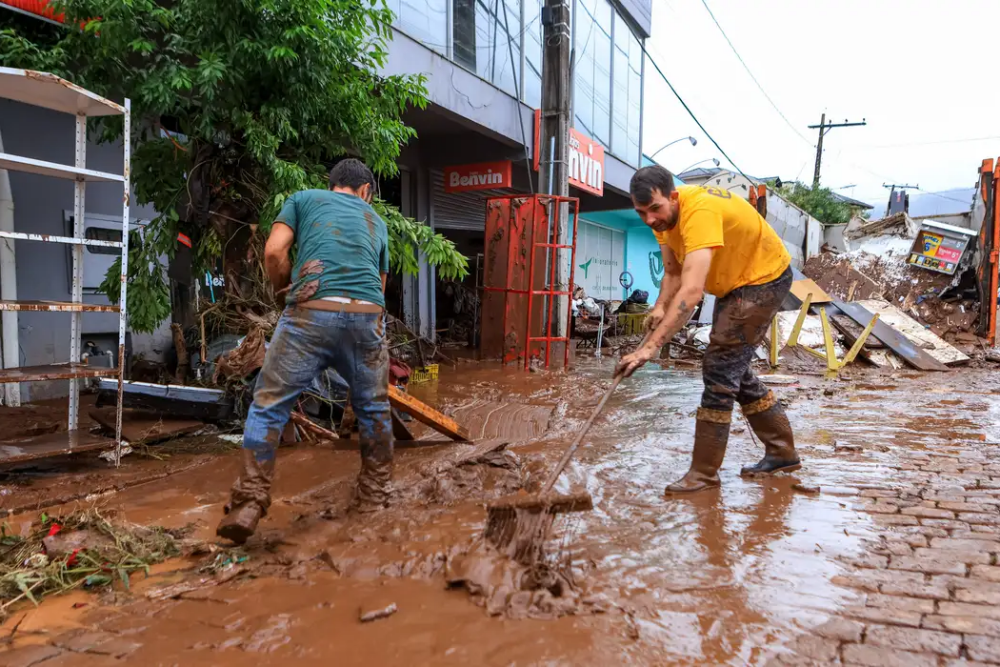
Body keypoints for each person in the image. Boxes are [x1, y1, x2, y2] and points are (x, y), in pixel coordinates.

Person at [217, 158, 393, 544]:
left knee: (269, 404)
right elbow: (378, 289)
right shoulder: (376, 222)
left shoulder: (302, 199)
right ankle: (374, 497)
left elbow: (274, 252)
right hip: (366, 318)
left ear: (333, 185)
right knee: (374, 407)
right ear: (366, 191)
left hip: (310, 313)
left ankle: (249, 502)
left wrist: (282, 290)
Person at [616, 165, 801, 494]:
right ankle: (782, 451)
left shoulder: (698, 212)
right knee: (731, 367)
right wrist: (659, 307)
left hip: (765, 277)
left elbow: (691, 292)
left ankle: (703, 474)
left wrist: (649, 347)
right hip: (735, 283)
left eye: (654, 209)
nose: (649, 220)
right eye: (640, 212)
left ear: (673, 197)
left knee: (719, 368)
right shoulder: (663, 220)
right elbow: (673, 274)